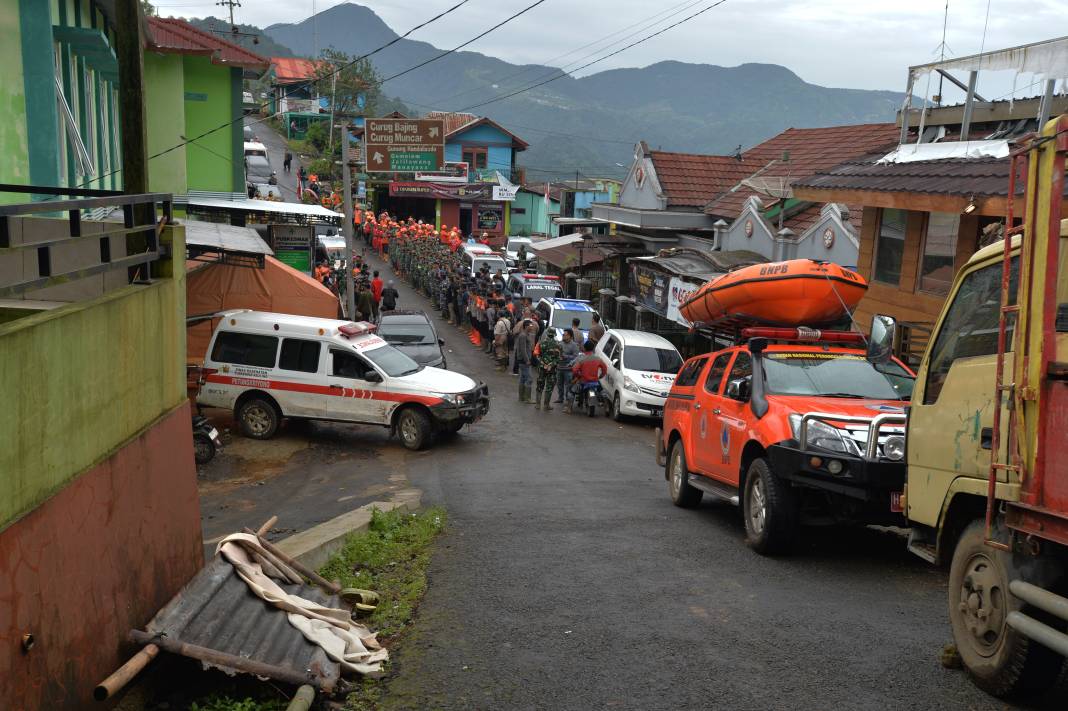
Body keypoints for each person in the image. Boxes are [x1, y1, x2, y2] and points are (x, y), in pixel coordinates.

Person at [570, 340, 607, 412]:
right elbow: (604, 368)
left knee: (572, 391)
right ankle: (606, 407)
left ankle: (569, 407)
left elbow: (574, 370)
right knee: (603, 392)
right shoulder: (598, 359)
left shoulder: (582, 358)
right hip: (594, 381)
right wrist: (601, 376)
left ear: (584, 348)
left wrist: (579, 375)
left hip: (583, 381)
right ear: (593, 348)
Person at [535, 327, 562, 410]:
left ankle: (538, 404)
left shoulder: (541, 343)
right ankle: (546, 405)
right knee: (549, 387)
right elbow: (559, 358)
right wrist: (551, 364)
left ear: (547, 333)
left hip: (542, 368)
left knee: (540, 385)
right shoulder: (558, 344)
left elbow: (537, 355)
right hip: (552, 369)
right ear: (554, 334)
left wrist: (543, 363)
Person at [556, 329, 581, 410]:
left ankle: (568, 400)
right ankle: (560, 398)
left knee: (568, 385)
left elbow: (576, 357)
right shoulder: (560, 343)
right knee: (559, 384)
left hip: (568, 369)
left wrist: (565, 356)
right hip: (559, 367)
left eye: (565, 335)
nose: (563, 336)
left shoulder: (574, 345)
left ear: (570, 336)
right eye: (563, 335)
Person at [514, 319, 536, 404]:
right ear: (526, 326)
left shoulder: (526, 335)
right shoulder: (523, 335)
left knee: (523, 378)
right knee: (529, 378)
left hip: (524, 359)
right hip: (524, 360)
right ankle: (527, 398)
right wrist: (527, 360)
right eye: (530, 325)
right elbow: (523, 349)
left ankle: (521, 397)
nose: (532, 327)